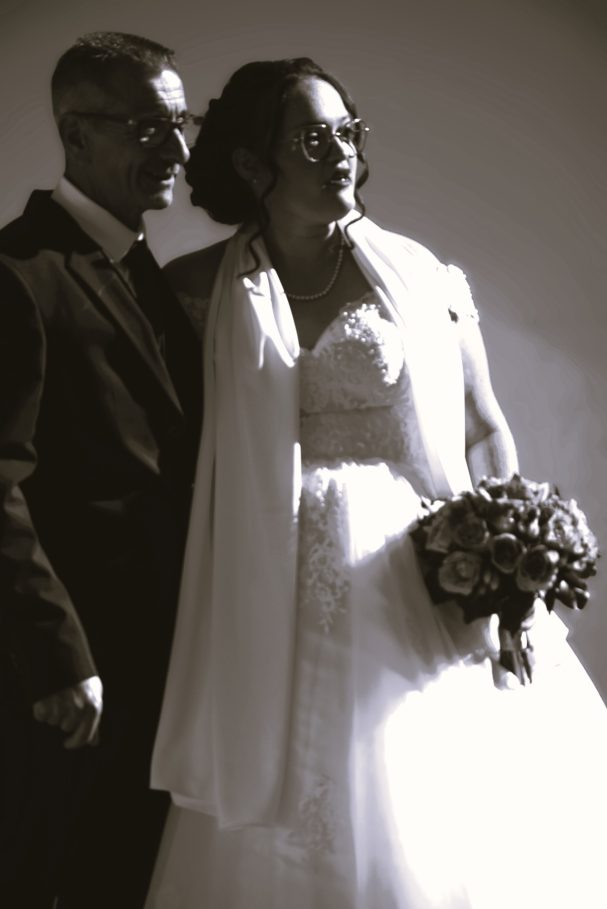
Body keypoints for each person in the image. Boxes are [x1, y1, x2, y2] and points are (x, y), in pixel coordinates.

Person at [146, 58, 607, 908]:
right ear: (252, 162)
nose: (341, 153)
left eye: (347, 132)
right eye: (311, 138)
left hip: (411, 570)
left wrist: (507, 569)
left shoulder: (416, 275)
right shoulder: (193, 291)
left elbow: (481, 426)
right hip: (260, 567)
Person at [0, 32, 202, 909]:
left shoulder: (155, 279)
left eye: (181, 124)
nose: (177, 150)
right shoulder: (17, 275)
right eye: (149, 126)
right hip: (70, 682)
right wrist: (57, 656)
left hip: (166, 669)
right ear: (76, 134)